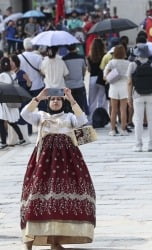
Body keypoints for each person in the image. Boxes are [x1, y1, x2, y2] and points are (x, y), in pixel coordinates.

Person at [20, 88, 95, 250]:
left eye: (59, 99)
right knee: (37, 197)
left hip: (67, 164)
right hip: (43, 165)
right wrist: (39, 97)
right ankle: (29, 239)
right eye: (52, 99)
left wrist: (71, 98)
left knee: (59, 200)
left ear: (63, 102)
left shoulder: (69, 117)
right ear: (48, 102)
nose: (55, 101)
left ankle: (55, 241)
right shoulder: (40, 116)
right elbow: (24, 114)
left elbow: (83, 121)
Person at [127, 44, 152, 152]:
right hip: (151, 95)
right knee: (151, 121)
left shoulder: (132, 65)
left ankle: (138, 145)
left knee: (138, 120)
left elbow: (129, 82)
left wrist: (129, 97)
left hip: (138, 95)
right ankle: (151, 145)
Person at [104, 45, 130, 136]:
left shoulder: (112, 62)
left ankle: (112, 130)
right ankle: (123, 129)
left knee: (113, 109)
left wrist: (110, 77)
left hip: (114, 86)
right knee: (123, 109)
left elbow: (105, 74)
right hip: (124, 86)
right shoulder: (128, 63)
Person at [0, 57, 25, 149]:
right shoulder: (13, 74)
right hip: (12, 99)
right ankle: (21, 138)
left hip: (5, 102)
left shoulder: (2, 75)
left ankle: (3, 142)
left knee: (2, 121)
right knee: (10, 121)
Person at [63, 44, 88, 114]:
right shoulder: (81, 58)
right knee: (80, 105)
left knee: (69, 106)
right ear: (76, 48)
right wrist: (82, 77)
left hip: (68, 86)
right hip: (79, 85)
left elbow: (64, 73)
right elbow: (84, 70)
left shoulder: (64, 59)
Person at [87, 38, 107, 124]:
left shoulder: (89, 57)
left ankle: (91, 119)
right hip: (101, 79)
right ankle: (102, 118)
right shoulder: (105, 55)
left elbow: (89, 69)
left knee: (92, 100)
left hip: (92, 78)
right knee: (102, 100)